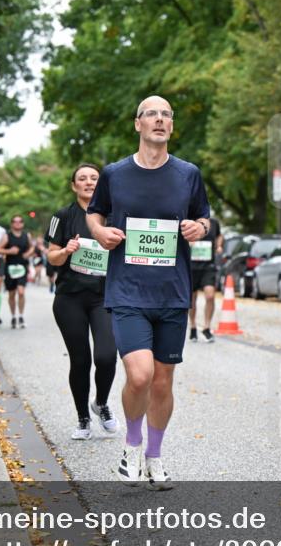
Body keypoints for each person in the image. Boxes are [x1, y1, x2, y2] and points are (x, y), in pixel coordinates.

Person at [87, 95, 211, 491]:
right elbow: (95, 211)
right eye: (151, 114)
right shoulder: (114, 174)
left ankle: (155, 457)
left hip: (172, 292)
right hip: (127, 290)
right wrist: (100, 232)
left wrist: (200, 229)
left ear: (171, 126)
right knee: (139, 376)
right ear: (137, 124)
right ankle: (131, 446)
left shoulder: (188, 173)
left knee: (162, 381)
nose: (159, 119)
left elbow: (203, 216)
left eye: (166, 115)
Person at [47, 164, 119, 440]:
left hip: (104, 297)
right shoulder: (63, 215)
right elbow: (51, 256)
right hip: (70, 298)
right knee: (80, 361)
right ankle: (82, 418)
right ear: (74, 185)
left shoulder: (113, 215)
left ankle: (100, 403)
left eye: (94, 178)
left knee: (106, 356)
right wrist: (66, 250)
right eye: (82, 179)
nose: (88, 182)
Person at [188, 215, 224, 342]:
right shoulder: (189, 221)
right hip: (191, 266)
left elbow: (219, 235)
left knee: (210, 296)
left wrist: (219, 246)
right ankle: (192, 327)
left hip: (208, 266)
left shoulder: (213, 222)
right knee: (192, 299)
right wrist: (188, 242)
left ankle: (207, 327)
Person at [0, 215, 36, 328]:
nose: (18, 223)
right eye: (15, 222)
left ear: (23, 224)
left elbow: (32, 247)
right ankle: (13, 316)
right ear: (12, 224)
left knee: (21, 292)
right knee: (12, 294)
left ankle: (21, 315)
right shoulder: (7, 236)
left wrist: (28, 254)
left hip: (22, 267)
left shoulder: (26, 235)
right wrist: (9, 251)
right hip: (10, 268)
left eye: (20, 221)